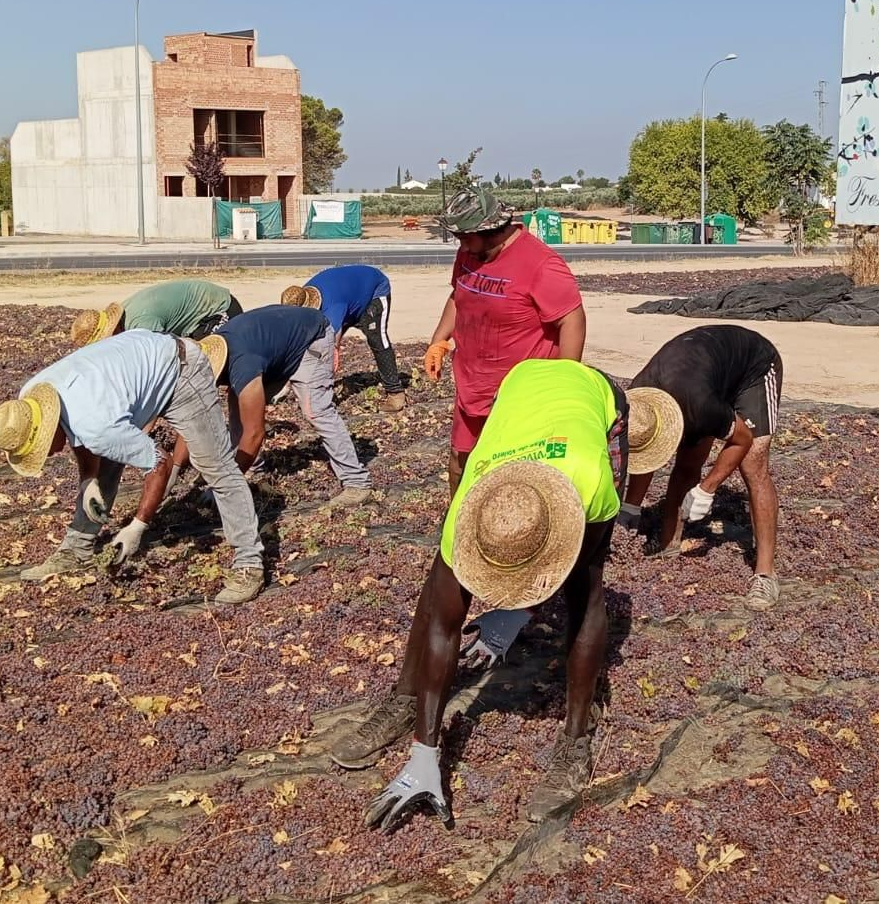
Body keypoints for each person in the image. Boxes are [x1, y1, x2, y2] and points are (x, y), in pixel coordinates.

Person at [331, 360, 680, 830]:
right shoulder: (466, 513)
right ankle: (406, 701)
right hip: (522, 385)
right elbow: (443, 624)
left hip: (595, 402)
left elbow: (582, 589)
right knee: (439, 592)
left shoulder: (592, 485)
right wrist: (423, 753)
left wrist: (515, 614)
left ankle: (577, 736)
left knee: (583, 586)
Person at [0, 329, 265, 605]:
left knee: (217, 467)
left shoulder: (96, 425)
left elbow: (160, 463)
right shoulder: (32, 397)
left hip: (181, 370)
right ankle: (76, 549)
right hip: (135, 368)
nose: (48, 455)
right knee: (106, 460)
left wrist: (137, 526)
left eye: (42, 449)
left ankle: (249, 564)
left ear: (47, 429)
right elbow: (79, 436)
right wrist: (88, 480)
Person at [424, 184, 586, 499]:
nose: (460, 244)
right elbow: (459, 295)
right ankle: (458, 524)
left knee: (510, 472)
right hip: (472, 384)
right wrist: (439, 340)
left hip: (518, 395)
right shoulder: (470, 252)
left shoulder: (541, 264)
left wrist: (566, 381)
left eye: (464, 236)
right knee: (460, 461)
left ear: (492, 230)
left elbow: (572, 318)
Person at [624, 325, 785, 612]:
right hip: (704, 373)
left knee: (753, 465)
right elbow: (643, 455)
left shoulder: (700, 408)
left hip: (755, 369)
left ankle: (765, 573)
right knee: (687, 461)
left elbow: (742, 440)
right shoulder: (637, 400)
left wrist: (707, 489)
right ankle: (669, 543)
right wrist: (630, 508)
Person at [213, 304, 374, 504]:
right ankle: (252, 469)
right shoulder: (214, 349)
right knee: (237, 408)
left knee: (316, 410)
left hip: (312, 337)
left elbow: (255, 432)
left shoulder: (243, 364)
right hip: (276, 344)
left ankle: (357, 482)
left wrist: (226, 485)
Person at [281, 265, 406, 412]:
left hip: (373, 291)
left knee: (377, 339)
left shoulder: (332, 307)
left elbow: (330, 346)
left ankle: (395, 392)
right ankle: (317, 393)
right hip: (349, 298)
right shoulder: (297, 298)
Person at [71, 278, 241, 346]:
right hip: (197, 318)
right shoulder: (127, 315)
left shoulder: (140, 323)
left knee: (204, 362)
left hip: (218, 308)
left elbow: (165, 352)